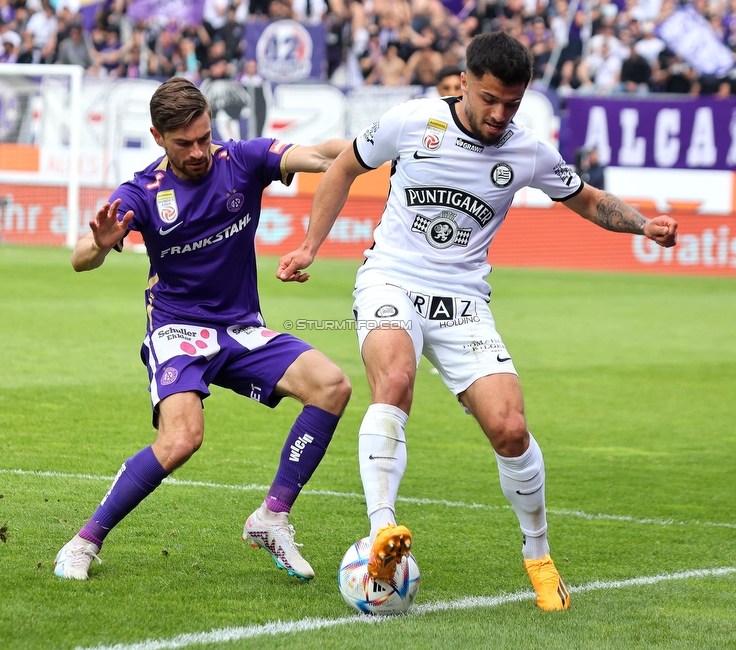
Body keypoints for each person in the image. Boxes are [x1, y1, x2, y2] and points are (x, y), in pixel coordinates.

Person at [278, 32, 678, 611]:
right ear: (464, 81)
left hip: (463, 300)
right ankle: (382, 533)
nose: (499, 114)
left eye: (512, 104)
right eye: (489, 98)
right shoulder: (412, 121)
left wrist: (643, 225)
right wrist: (312, 245)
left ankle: (538, 555)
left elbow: (587, 199)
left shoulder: (527, 150)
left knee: (511, 429)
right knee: (394, 382)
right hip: (391, 278)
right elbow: (343, 167)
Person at [53, 77, 352, 582]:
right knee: (181, 440)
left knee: (332, 387)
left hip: (240, 328)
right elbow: (81, 259)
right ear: (157, 137)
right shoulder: (142, 192)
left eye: (203, 137)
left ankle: (271, 518)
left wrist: (372, 146)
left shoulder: (243, 160)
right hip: (177, 330)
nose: (198, 151)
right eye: (184, 143)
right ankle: (84, 542)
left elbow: (324, 156)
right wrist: (102, 243)